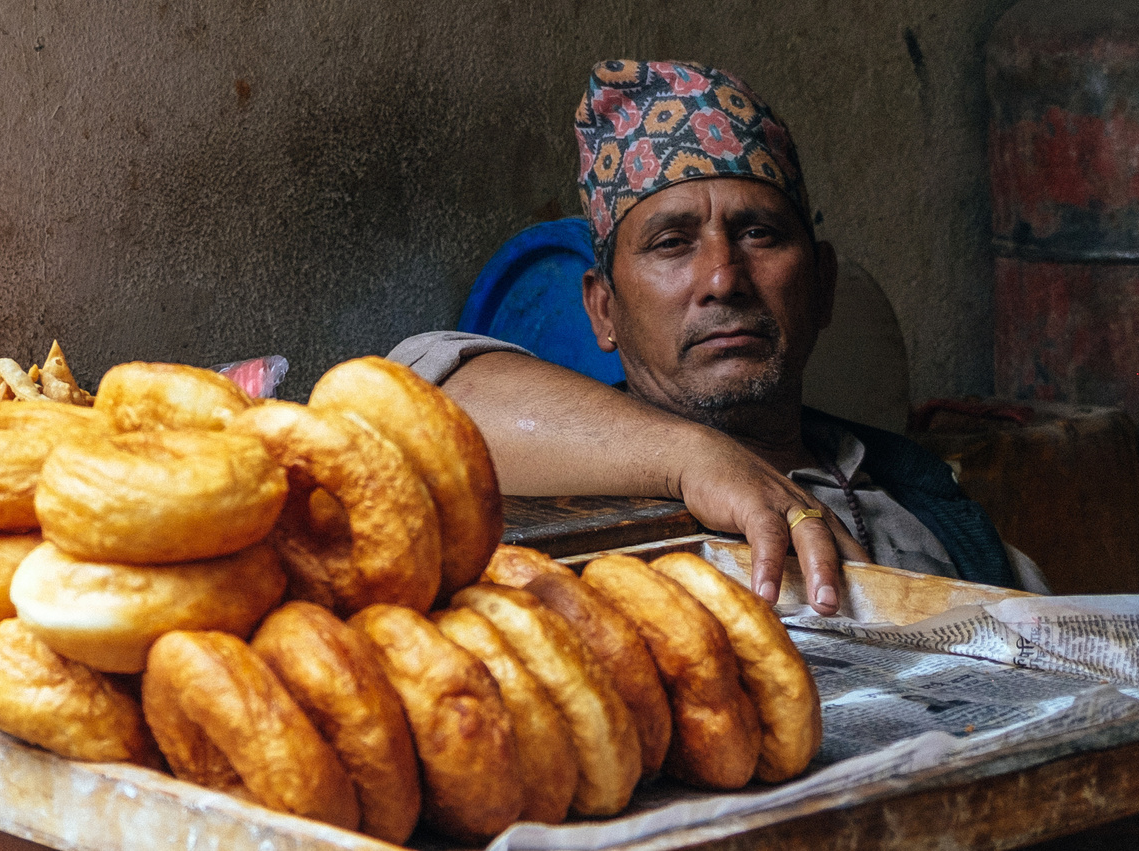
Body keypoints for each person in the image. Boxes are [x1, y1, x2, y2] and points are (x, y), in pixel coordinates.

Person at [389, 59, 1043, 616]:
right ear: (603, 309)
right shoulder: (559, 488)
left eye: (759, 233)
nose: (724, 278)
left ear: (822, 284)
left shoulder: (933, 513)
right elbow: (402, 400)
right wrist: (693, 459)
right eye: (672, 243)